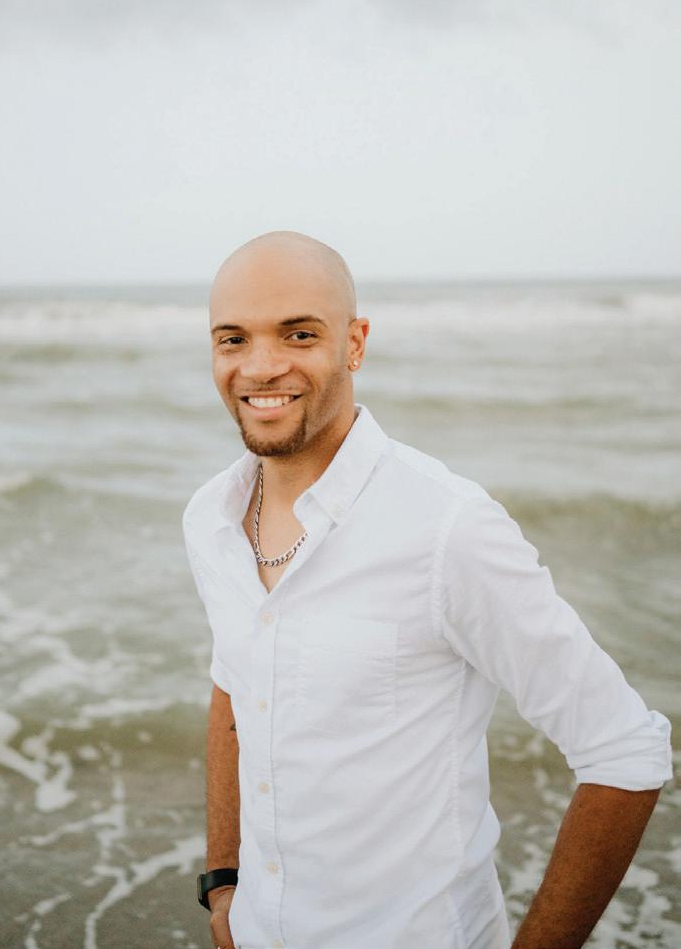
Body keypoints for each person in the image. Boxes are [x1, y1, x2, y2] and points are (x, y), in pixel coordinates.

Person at [183, 230, 672, 949]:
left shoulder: (447, 528)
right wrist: (224, 880)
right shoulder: (210, 518)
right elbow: (234, 682)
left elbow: (624, 749)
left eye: (299, 334)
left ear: (354, 344)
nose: (260, 366)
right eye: (233, 339)